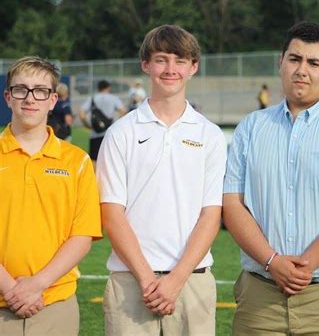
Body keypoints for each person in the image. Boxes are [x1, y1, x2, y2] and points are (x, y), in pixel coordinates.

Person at [223, 22, 319, 335]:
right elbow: (232, 203)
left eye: (314, 63)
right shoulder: (252, 127)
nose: (302, 70)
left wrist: (303, 265)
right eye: (294, 59)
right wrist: (272, 261)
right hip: (261, 295)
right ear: (280, 61)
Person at [96, 25, 227, 335]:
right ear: (146, 65)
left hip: (192, 280)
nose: (170, 69)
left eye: (180, 60)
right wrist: (147, 279)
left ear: (193, 67)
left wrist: (176, 279)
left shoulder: (210, 135)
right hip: (130, 281)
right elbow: (111, 214)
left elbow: (211, 214)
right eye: (161, 59)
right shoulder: (120, 133)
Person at [0, 56, 102, 335]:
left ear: (53, 100)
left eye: (40, 91)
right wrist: (9, 287)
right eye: (21, 89)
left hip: (54, 302)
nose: (30, 98)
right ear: (8, 97)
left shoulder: (77, 161)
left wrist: (37, 284)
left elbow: (82, 235)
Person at [79, 79, 125, 165]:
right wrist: (116, 124)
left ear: (98, 88)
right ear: (108, 87)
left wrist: (87, 125)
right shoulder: (113, 98)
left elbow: (81, 113)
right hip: (110, 133)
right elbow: (123, 111)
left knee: (94, 159)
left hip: (95, 133)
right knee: (110, 160)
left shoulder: (93, 98)